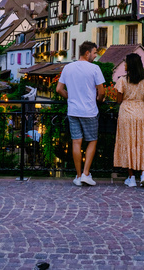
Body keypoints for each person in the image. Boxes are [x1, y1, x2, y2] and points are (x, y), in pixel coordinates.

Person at [56, 41, 105, 186]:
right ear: (87, 53)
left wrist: (70, 97)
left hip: (73, 110)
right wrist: (99, 100)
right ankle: (86, 173)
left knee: (76, 142)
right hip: (89, 111)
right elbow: (102, 91)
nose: (96, 56)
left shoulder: (68, 68)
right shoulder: (94, 68)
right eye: (95, 53)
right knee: (92, 141)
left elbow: (59, 89)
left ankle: (78, 176)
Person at [113, 53, 144, 188]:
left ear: (129, 65)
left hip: (126, 114)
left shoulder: (122, 80)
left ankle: (131, 177)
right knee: (141, 143)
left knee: (128, 143)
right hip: (140, 113)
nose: (124, 64)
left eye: (125, 62)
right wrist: (140, 99)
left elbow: (119, 99)